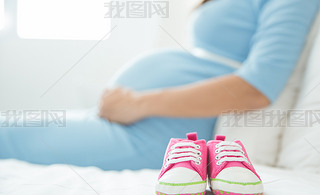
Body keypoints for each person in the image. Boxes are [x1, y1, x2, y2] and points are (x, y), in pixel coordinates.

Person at [0, 0, 319, 170]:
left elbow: (258, 88)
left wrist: (139, 103)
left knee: (6, 135)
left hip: (161, 133)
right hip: (138, 121)